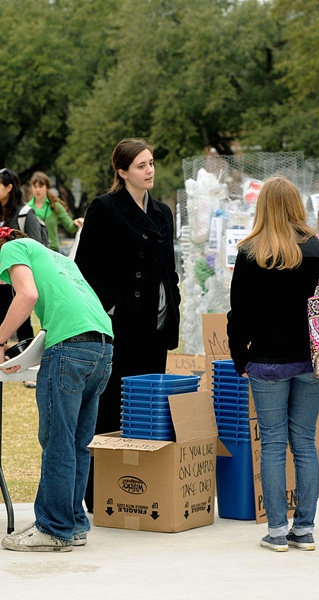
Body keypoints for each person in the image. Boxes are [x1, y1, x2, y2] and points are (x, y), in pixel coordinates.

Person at [227, 176, 319, 552]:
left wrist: (240, 359)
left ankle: (278, 531)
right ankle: (305, 529)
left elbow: (239, 313)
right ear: (297, 205)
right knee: (305, 442)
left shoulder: (250, 250)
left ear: (262, 206)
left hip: (265, 361)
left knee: (272, 444)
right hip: (314, 358)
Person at [75, 137, 180, 512]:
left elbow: (169, 266)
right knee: (110, 405)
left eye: (151, 163)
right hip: (121, 326)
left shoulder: (163, 211)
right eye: (141, 165)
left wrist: (174, 300)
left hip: (157, 322)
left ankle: (145, 488)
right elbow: (86, 266)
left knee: (149, 408)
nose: (149, 170)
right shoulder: (104, 208)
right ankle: (98, 491)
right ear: (122, 171)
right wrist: (111, 306)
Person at [0, 227, 113, 552]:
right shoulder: (57, 258)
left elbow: (27, 295)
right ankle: (73, 523)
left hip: (70, 348)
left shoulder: (13, 249)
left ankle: (53, 529)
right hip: (102, 347)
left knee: (58, 442)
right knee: (78, 442)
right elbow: (68, 313)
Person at [0, 167, 46, 388]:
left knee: (24, 324)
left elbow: (36, 245)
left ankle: (28, 370)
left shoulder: (24, 213)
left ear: (9, 187)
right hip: (1, 278)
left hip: (20, 281)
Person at [28, 171, 84, 252]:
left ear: (47, 187)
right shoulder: (26, 208)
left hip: (52, 251)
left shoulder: (55, 206)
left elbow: (70, 227)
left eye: (41, 186)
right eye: (35, 186)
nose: (38, 190)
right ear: (31, 187)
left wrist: (76, 222)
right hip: (33, 251)